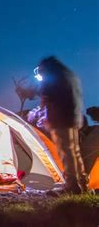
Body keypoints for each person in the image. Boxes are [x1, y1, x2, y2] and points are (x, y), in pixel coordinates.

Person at [35, 56, 88, 194]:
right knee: (74, 152)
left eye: (40, 70)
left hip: (61, 119)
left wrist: (47, 117)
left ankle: (72, 186)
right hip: (73, 118)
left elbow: (47, 96)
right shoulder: (69, 74)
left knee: (66, 152)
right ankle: (83, 184)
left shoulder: (53, 76)